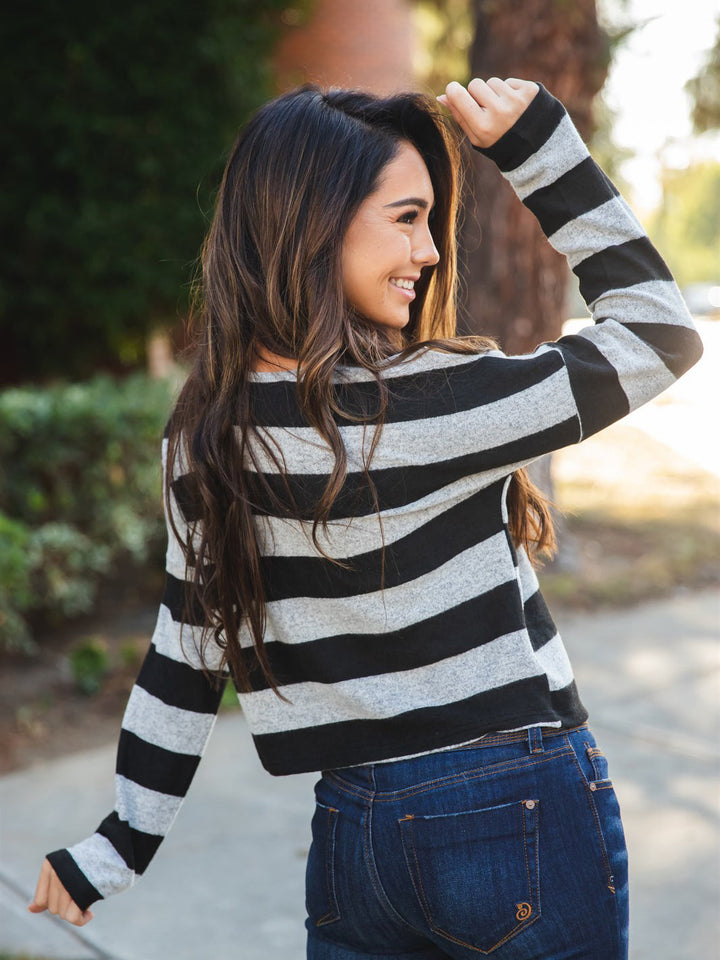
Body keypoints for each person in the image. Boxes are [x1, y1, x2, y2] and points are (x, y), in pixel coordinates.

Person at [29, 76, 702, 959]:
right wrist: (543, 149)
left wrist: (118, 847)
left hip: (355, 833)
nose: (428, 250)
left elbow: (185, 655)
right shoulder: (433, 402)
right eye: (406, 217)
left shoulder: (205, 438)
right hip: (517, 806)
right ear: (314, 225)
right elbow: (659, 332)